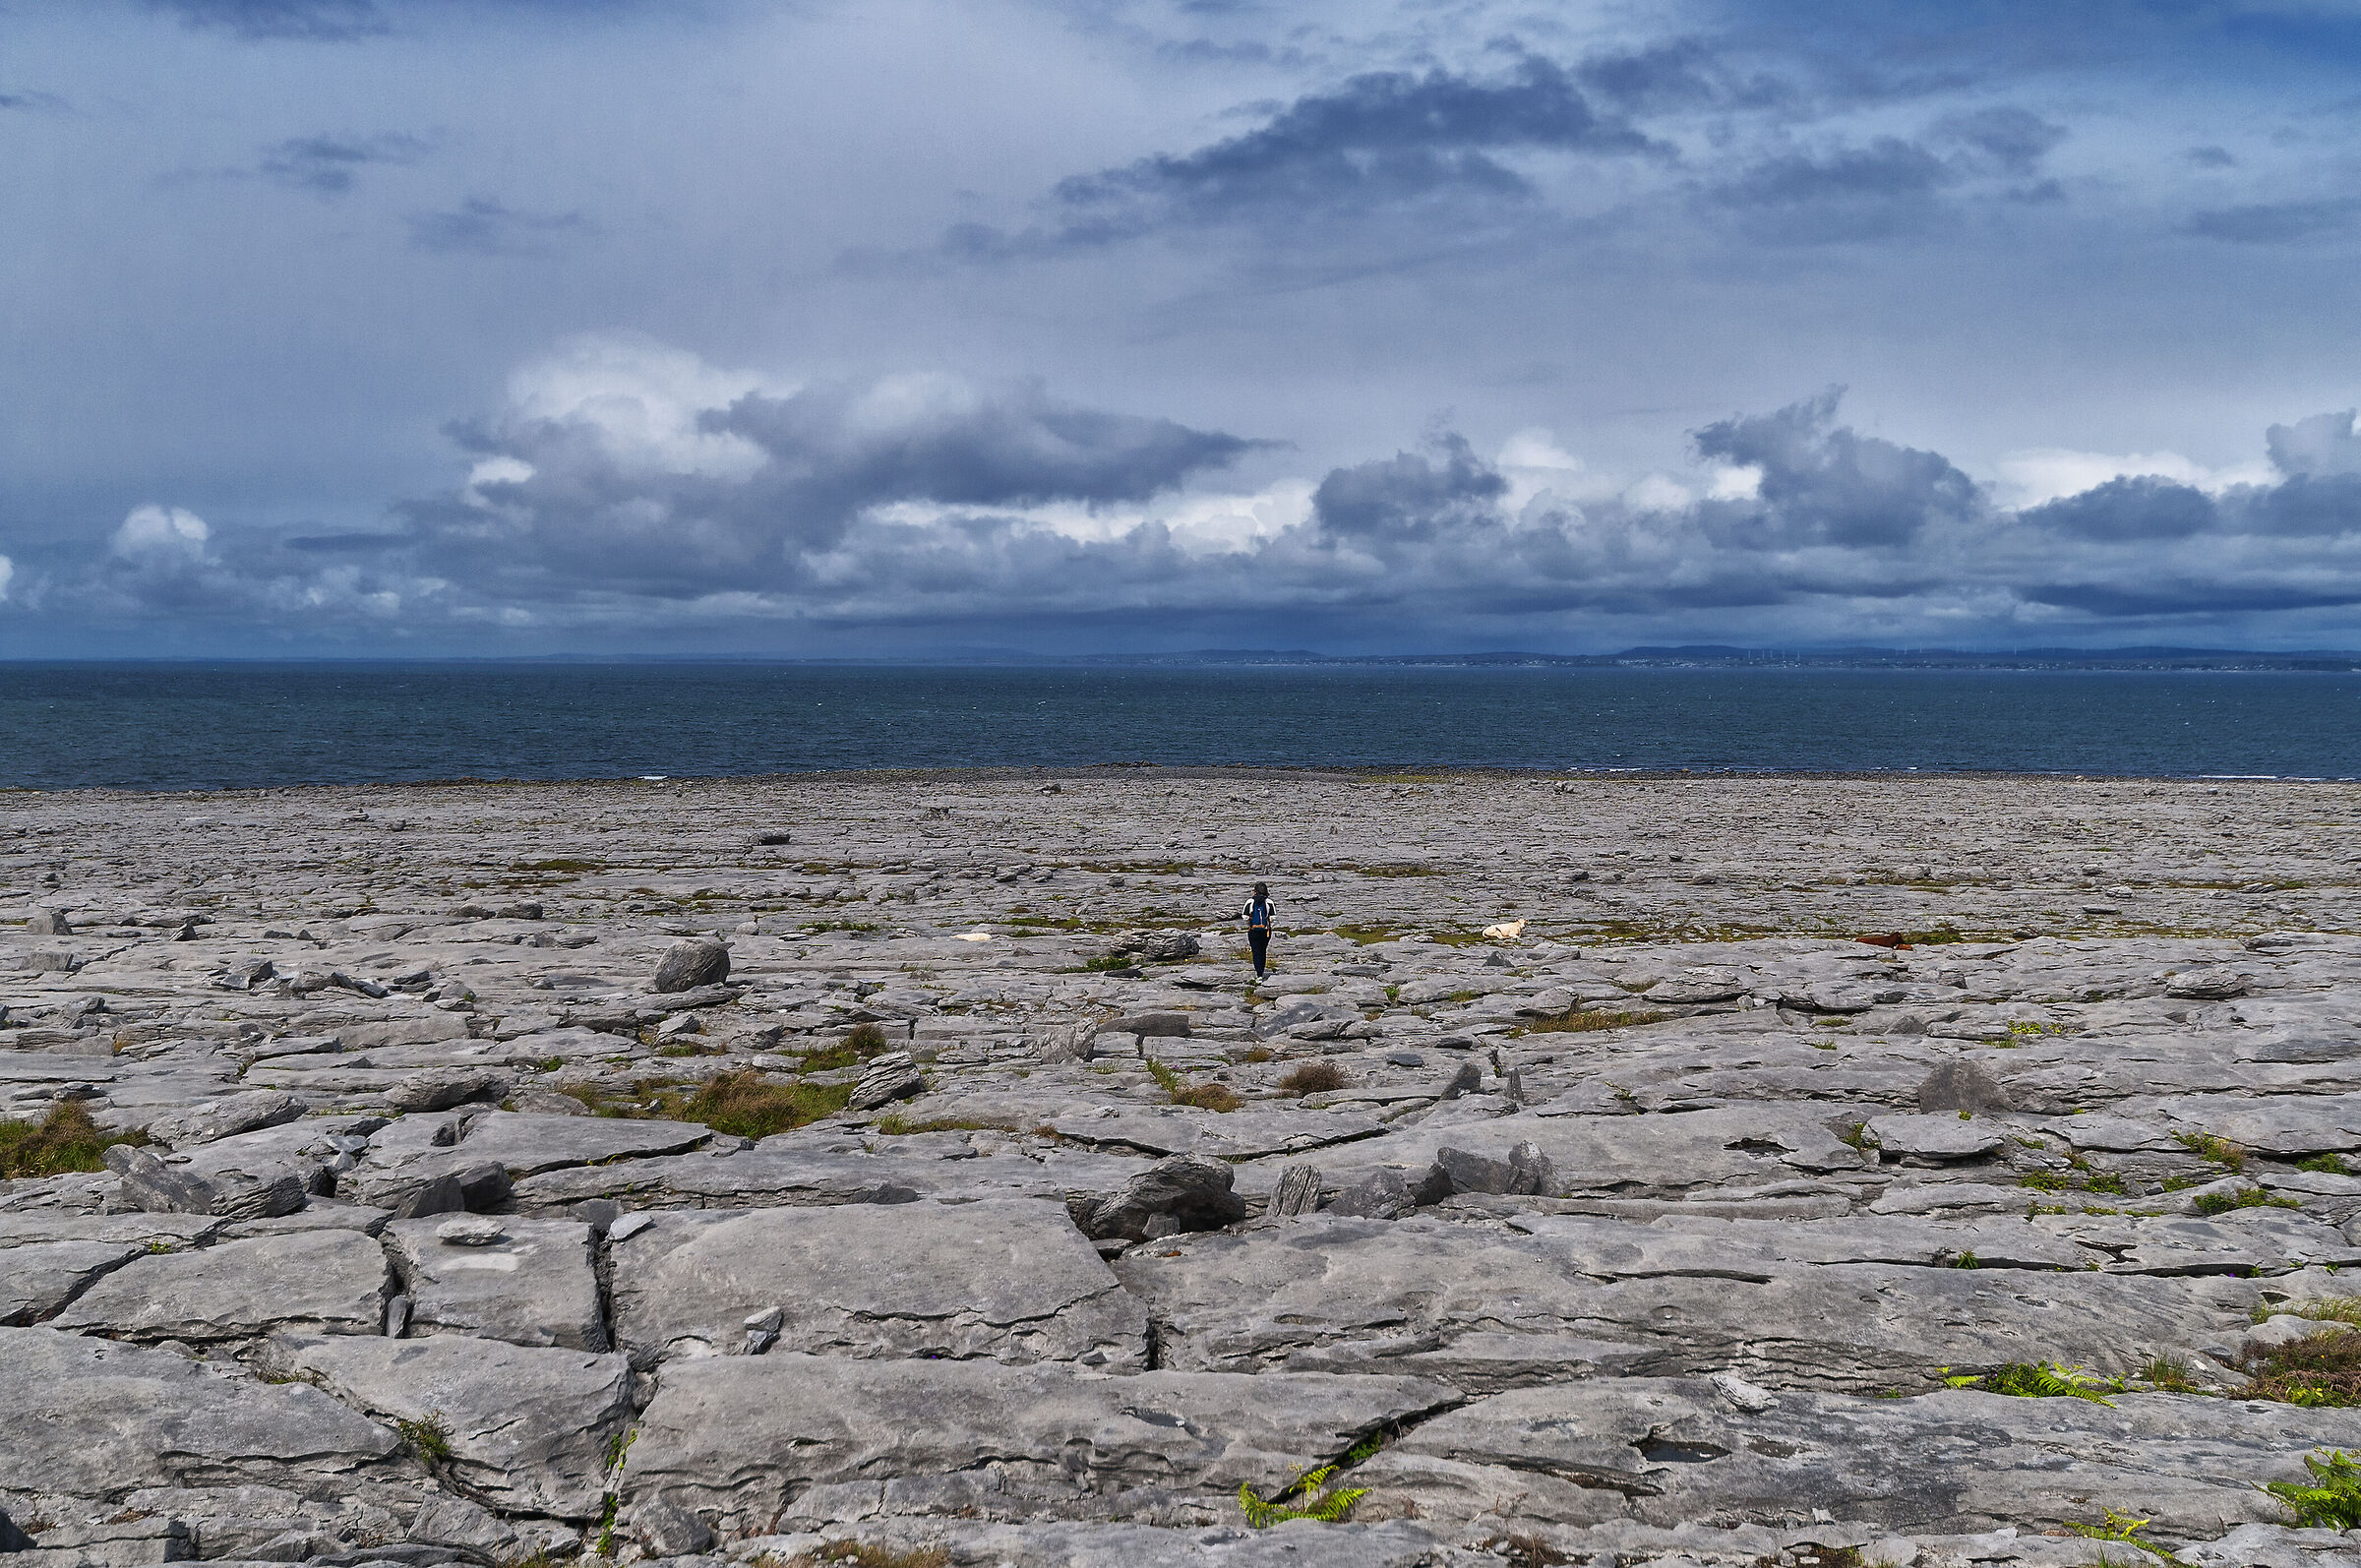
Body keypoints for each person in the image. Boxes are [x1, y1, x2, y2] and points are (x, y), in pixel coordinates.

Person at [1241, 881, 1275, 979]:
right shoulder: (1269, 902)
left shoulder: (1250, 902)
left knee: (1256, 951)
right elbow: (1273, 917)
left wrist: (1250, 925)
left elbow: (1245, 916)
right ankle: (1261, 971)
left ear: (1255, 891)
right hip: (1266, 931)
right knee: (1263, 950)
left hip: (1253, 930)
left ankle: (1258, 973)